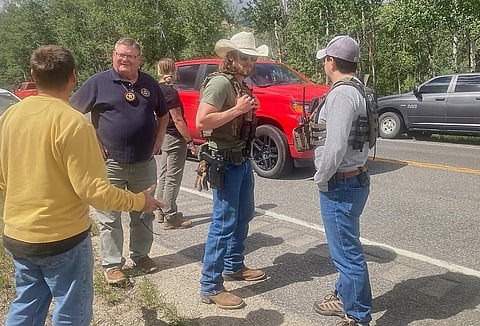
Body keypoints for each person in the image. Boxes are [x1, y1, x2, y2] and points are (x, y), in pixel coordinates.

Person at [0, 45, 164, 326]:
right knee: (71, 310)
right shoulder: (73, 124)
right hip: (61, 239)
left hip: (18, 235)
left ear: (33, 75)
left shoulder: (9, 117)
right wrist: (139, 201)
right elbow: (94, 192)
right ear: (74, 77)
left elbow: (4, 177)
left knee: (27, 303)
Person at [70, 37, 169, 286]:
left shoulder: (149, 84)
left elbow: (164, 114)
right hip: (110, 163)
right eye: (120, 55)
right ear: (113, 56)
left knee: (144, 211)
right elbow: (72, 113)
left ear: (139, 59)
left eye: (129, 56)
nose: (124, 59)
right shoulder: (98, 82)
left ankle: (141, 255)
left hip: (144, 162)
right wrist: (92, 139)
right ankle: (112, 265)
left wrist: (159, 137)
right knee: (109, 216)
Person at [196, 31, 268, 309]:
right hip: (224, 160)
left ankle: (234, 265)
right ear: (231, 58)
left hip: (240, 159)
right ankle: (210, 285)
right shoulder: (220, 84)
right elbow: (202, 121)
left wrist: (245, 110)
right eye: (245, 57)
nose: (250, 62)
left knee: (244, 215)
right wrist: (237, 110)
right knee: (223, 223)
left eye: (253, 58)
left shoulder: (240, 85)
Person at [312, 36, 373, 326]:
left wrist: (321, 178)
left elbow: (335, 146)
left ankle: (358, 315)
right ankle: (342, 295)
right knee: (345, 247)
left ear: (332, 62)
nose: (324, 63)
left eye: (325, 59)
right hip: (355, 176)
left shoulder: (340, 95)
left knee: (347, 255)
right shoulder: (358, 90)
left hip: (341, 182)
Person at [155, 58, 196, 229]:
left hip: (163, 135)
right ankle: (170, 217)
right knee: (173, 177)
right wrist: (189, 141)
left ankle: (160, 210)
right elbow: (177, 119)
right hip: (174, 137)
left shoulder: (155, 89)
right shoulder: (170, 92)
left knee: (164, 174)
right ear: (174, 71)